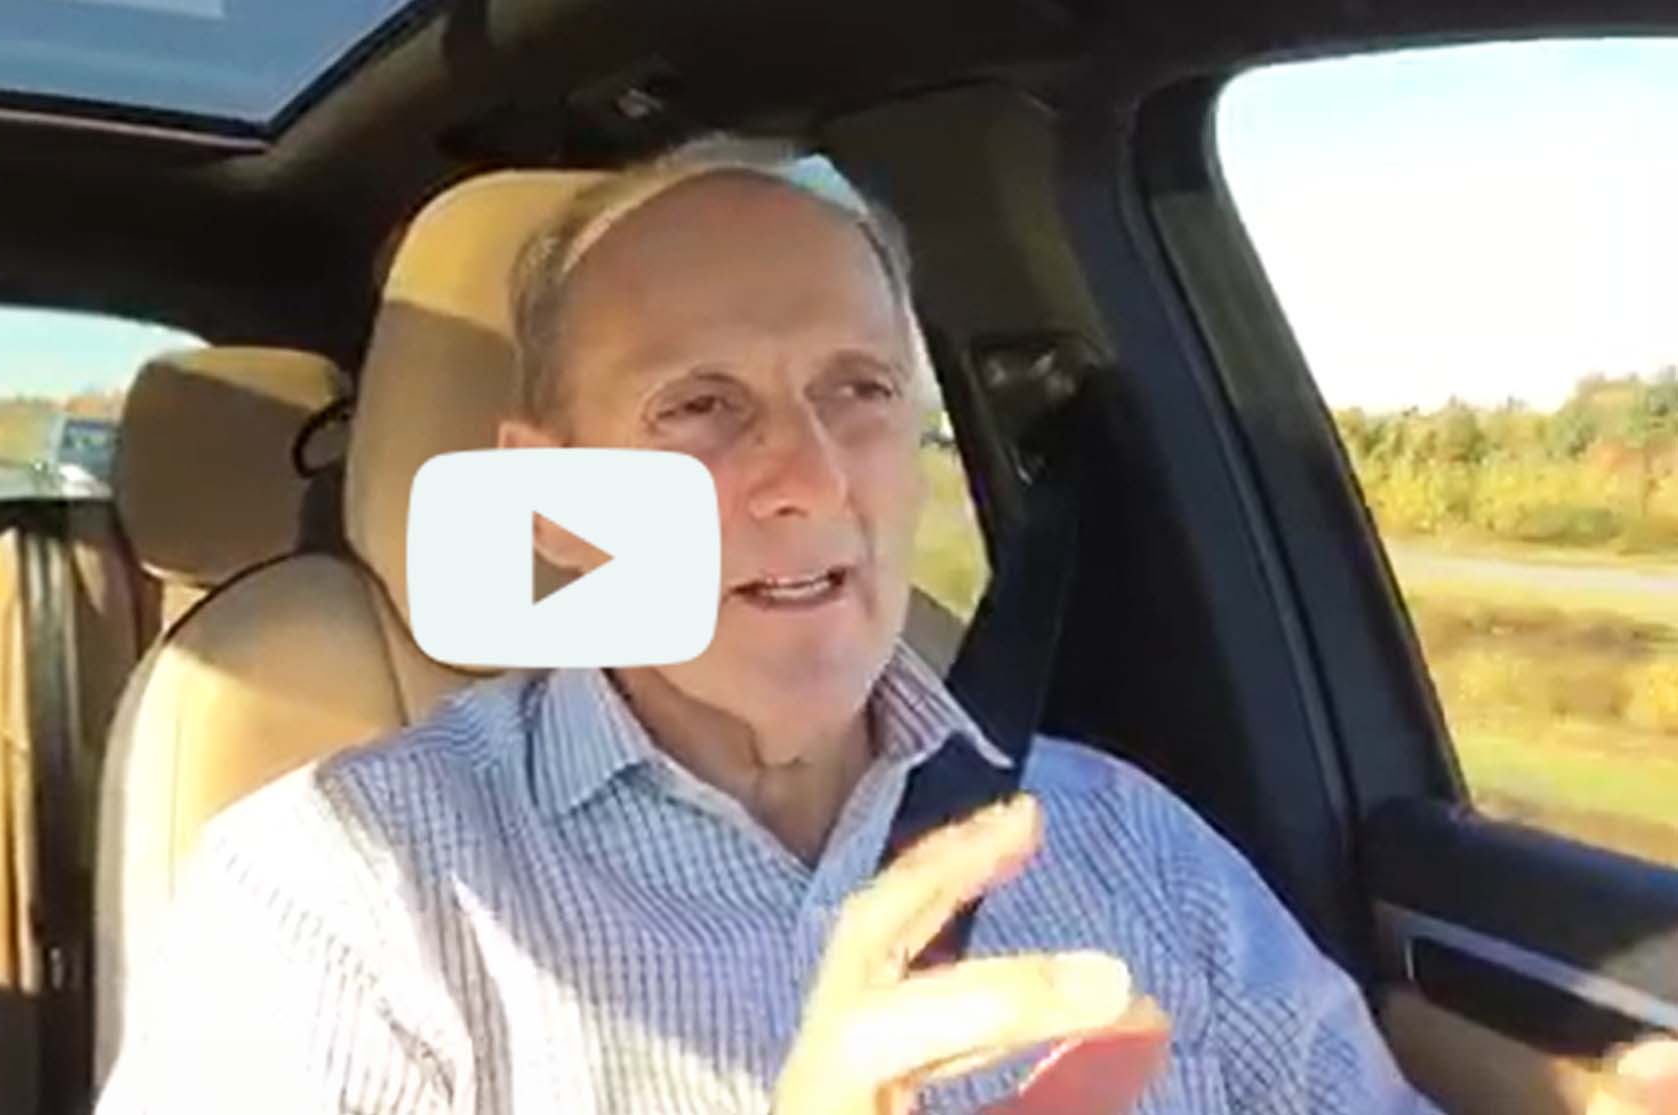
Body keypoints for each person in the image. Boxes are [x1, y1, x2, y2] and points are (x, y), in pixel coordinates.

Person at [98, 140, 1678, 1114]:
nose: (806, 476)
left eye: (855, 391)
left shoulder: (1129, 840)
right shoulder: (349, 889)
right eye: (699, 405)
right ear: (552, 494)